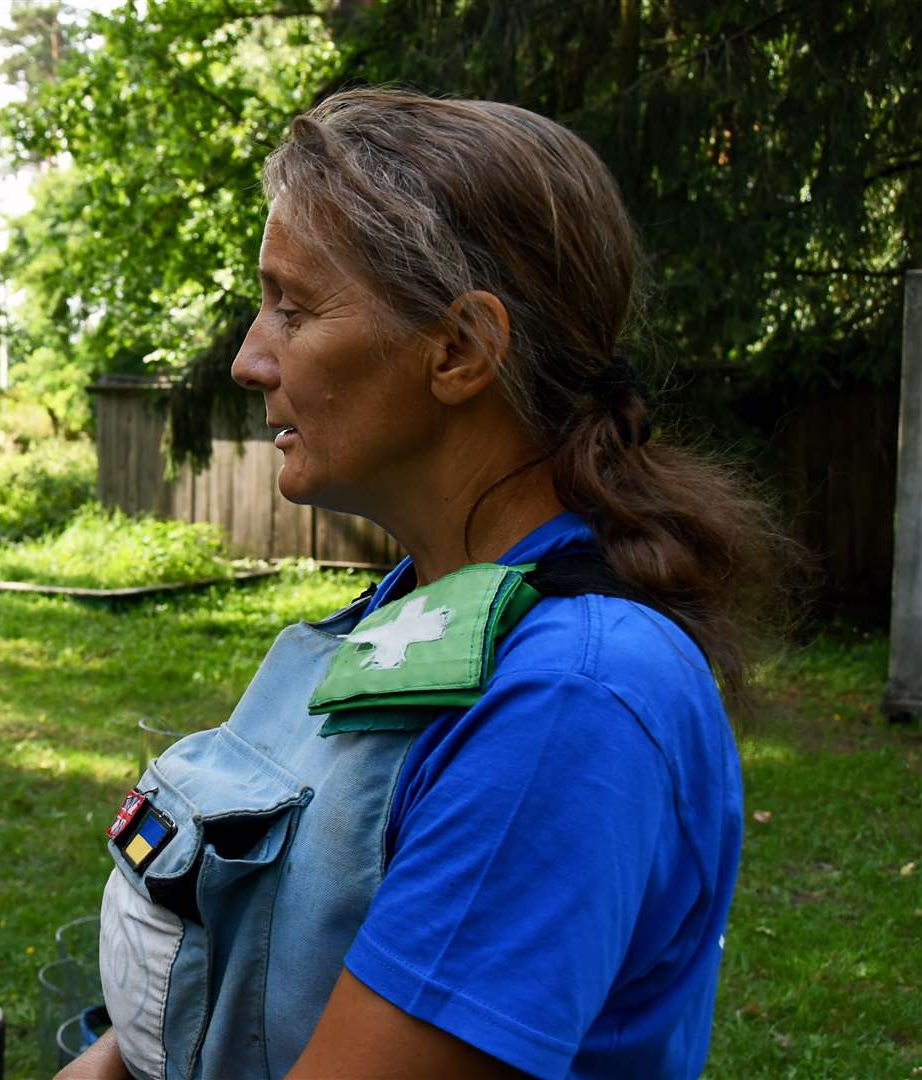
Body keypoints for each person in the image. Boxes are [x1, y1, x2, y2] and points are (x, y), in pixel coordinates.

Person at [65, 89, 796, 1080]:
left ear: (459, 349)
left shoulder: (569, 699)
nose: (250, 357)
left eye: (294, 305)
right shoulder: (422, 613)